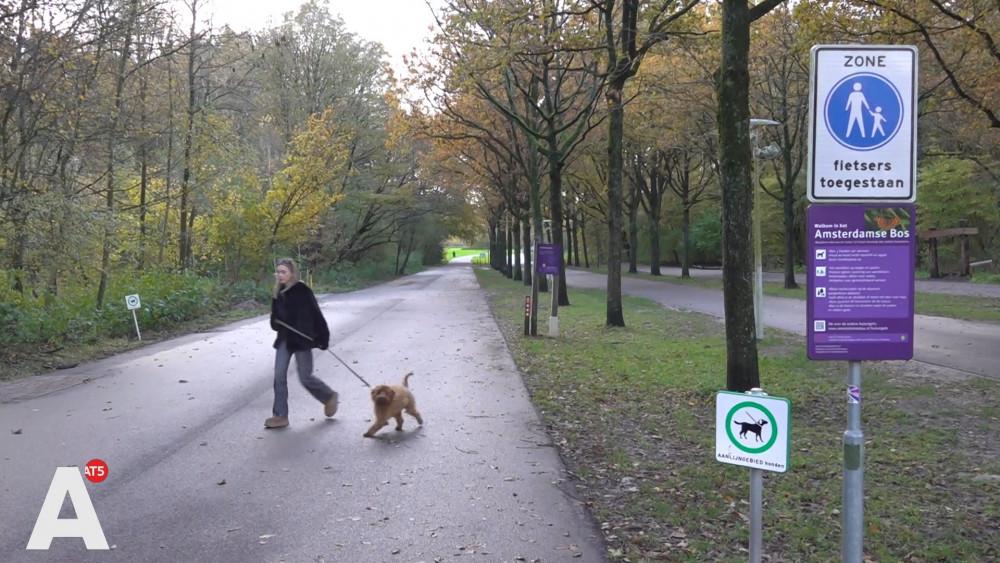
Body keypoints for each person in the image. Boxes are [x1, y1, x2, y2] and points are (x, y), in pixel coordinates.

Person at [265, 258, 338, 429]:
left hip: (301, 340)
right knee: (278, 376)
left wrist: (323, 337)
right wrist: (276, 322)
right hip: (284, 339)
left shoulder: (302, 291)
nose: (280, 275)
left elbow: (316, 315)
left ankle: (328, 397)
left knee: (305, 377)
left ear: (292, 273)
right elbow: (274, 322)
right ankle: (280, 416)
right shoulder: (277, 293)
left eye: (283, 272)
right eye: (278, 272)